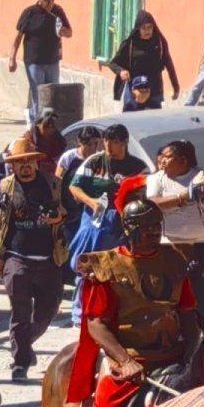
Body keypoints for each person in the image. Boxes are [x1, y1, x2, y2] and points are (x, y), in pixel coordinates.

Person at [67, 192, 197, 407]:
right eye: (144, 229)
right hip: (127, 356)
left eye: (155, 228)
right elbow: (96, 324)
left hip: (172, 353)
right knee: (107, 405)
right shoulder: (107, 267)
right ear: (129, 230)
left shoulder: (174, 260)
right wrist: (125, 361)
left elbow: (187, 312)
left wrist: (193, 352)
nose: (152, 234)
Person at [0, 138, 67, 380]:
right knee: (20, 311)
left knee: (48, 310)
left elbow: (72, 214)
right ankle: (20, 363)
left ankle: (24, 345)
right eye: (20, 163)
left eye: (29, 161)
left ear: (37, 163)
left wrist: (60, 218)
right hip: (16, 259)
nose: (25, 166)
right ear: (13, 166)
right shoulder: (4, 189)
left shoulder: (54, 186)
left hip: (49, 260)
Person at [66, 124, 147, 325]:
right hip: (94, 222)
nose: (109, 146)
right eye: (106, 141)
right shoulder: (95, 161)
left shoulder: (138, 166)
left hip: (123, 223)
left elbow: (146, 194)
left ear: (125, 142)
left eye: (115, 142)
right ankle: (80, 315)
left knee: (118, 270)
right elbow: (74, 187)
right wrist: (91, 202)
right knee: (87, 267)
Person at [146, 139, 204, 281]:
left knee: (193, 285)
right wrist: (183, 197)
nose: (162, 161)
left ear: (183, 161)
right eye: (161, 156)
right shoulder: (157, 179)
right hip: (169, 243)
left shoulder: (203, 175)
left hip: (200, 243)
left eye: (167, 157)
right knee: (173, 286)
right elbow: (152, 204)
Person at [8, 0, 71, 123]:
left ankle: (49, 123)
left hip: (52, 60)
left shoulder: (58, 11)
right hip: (34, 61)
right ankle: (35, 123)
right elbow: (18, 37)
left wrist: (63, 32)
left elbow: (69, 32)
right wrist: (12, 58)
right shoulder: (30, 13)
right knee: (38, 93)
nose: (50, 2)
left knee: (52, 93)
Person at [108, 10, 179, 109]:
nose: (147, 31)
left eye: (150, 27)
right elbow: (113, 63)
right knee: (130, 120)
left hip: (154, 89)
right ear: (138, 29)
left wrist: (176, 87)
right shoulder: (130, 43)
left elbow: (169, 64)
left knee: (152, 122)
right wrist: (121, 72)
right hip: (134, 90)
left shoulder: (159, 42)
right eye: (144, 28)